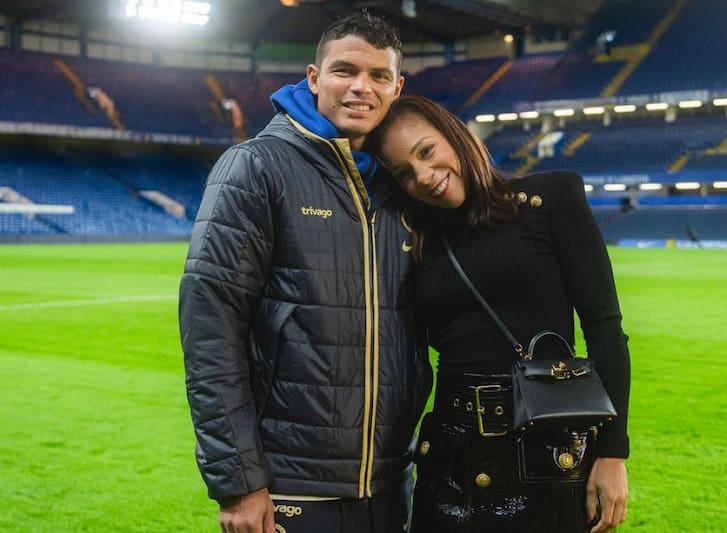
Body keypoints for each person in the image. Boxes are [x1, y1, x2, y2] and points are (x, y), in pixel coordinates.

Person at [178, 13, 432, 533]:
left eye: (378, 76)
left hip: (390, 485)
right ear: (314, 78)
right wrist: (239, 482)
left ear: (397, 88)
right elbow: (211, 334)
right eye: (345, 71)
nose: (361, 87)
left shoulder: (401, 185)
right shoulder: (255, 167)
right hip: (291, 488)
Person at [366, 95, 631, 533]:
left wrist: (612, 452)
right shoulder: (416, 239)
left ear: (456, 136)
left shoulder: (551, 199)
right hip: (448, 459)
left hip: (545, 457)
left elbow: (605, 329)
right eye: (404, 174)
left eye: (426, 151)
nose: (424, 177)